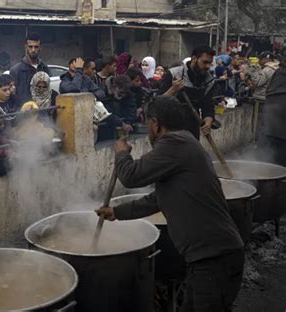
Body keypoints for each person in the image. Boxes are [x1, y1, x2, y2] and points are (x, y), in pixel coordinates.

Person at [96, 96, 244, 312]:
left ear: (155, 124)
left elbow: (130, 177)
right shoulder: (186, 143)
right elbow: (158, 200)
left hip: (214, 260)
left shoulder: (174, 144)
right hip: (211, 258)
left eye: (148, 124)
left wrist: (120, 154)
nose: (148, 130)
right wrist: (116, 212)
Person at [161, 45, 216, 139]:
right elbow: (158, 102)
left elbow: (208, 107)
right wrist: (173, 89)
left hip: (192, 129)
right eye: (205, 62)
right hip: (170, 128)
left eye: (210, 63)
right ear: (194, 59)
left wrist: (208, 122)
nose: (207, 66)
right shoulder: (174, 74)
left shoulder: (209, 81)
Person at [10, 33, 51, 103]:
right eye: (30, 47)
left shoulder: (45, 68)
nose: (33, 50)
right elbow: (13, 95)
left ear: (40, 48)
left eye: (36, 47)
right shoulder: (16, 70)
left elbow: (47, 91)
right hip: (23, 110)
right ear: (26, 47)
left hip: (42, 110)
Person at [259, 64, 286, 166]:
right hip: (273, 128)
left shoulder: (278, 73)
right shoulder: (278, 73)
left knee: (268, 162)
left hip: (270, 128)